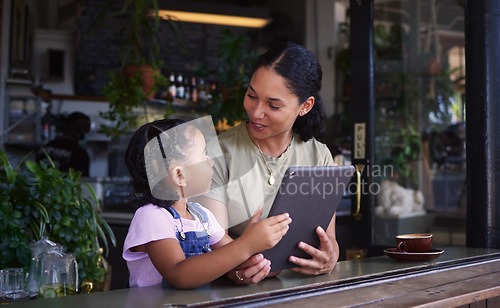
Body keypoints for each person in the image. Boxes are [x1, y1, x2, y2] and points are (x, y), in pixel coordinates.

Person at [198, 42, 339, 282]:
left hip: (301, 294)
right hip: (231, 299)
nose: (255, 112)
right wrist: (238, 267)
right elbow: (212, 245)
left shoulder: (319, 156)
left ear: (305, 106)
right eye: (252, 95)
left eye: (273, 105)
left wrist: (329, 257)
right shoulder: (214, 154)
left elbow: (328, 239)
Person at [122, 118, 290, 289]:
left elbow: (235, 259)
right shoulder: (152, 217)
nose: (211, 161)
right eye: (204, 154)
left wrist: (260, 259)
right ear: (179, 176)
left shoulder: (201, 216)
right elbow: (179, 274)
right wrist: (246, 244)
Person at [37, 112, 91, 176]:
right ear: (79, 131)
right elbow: (83, 181)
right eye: (85, 131)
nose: (86, 135)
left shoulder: (43, 148)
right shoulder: (79, 154)